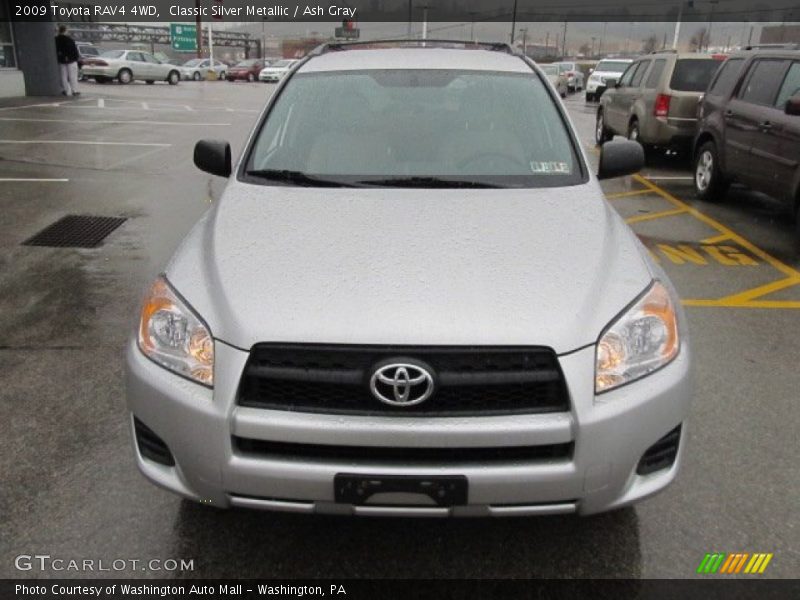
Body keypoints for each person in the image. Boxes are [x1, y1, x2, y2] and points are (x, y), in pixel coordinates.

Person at [55, 25, 80, 97]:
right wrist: (75, 58)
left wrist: (62, 56)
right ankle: (74, 90)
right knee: (73, 76)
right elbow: (74, 51)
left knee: (63, 76)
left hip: (61, 61)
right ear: (65, 31)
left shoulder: (56, 39)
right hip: (71, 60)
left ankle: (65, 90)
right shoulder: (69, 40)